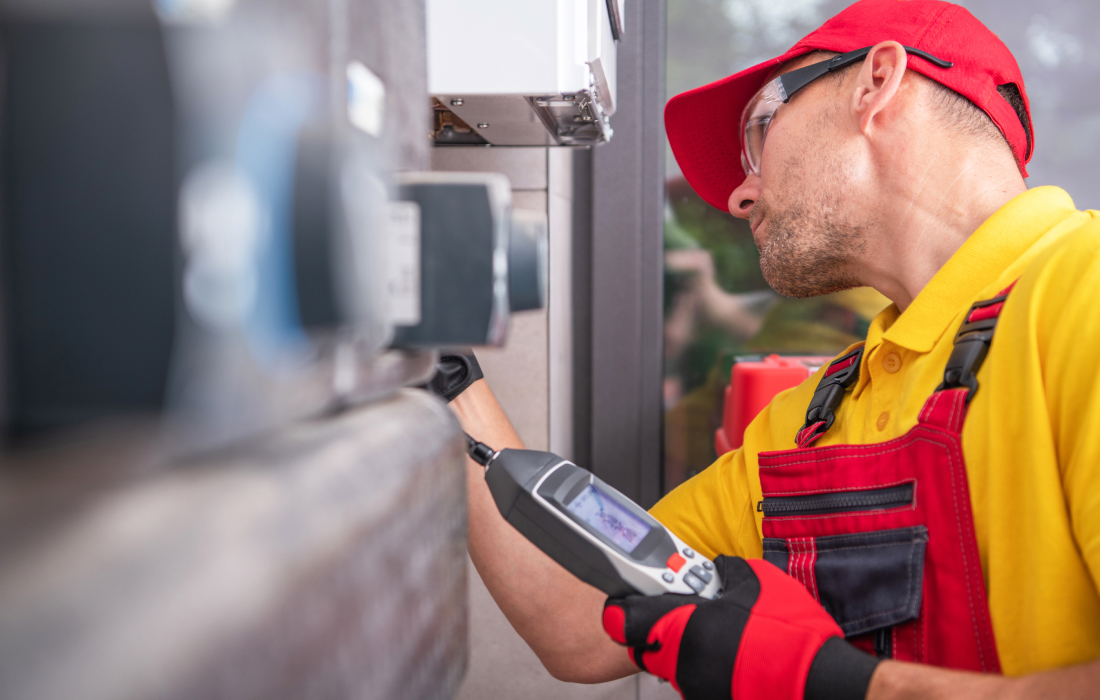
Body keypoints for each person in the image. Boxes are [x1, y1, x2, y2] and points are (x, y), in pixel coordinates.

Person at [442, 0, 1100, 697]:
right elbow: (577, 617)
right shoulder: (811, 422)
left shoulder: (1079, 294)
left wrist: (837, 685)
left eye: (759, 132)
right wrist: (444, 368)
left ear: (876, 84)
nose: (738, 197)